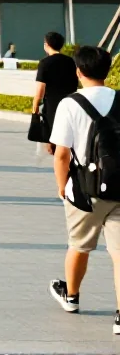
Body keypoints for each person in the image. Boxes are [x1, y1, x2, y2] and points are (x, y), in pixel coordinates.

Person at [49, 44, 120, 323]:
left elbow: (62, 154)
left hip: (84, 189)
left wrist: (61, 185)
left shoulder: (70, 104)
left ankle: (72, 297)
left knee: (79, 245)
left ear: (79, 72)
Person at [34, 31, 78, 153]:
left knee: (53, 142)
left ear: (47, 44)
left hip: (52, 106)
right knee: (68, 139)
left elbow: (40, 90)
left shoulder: (45, 63)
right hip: (70, 103)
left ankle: (60, 166)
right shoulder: (70, 61)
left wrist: (35, 107)